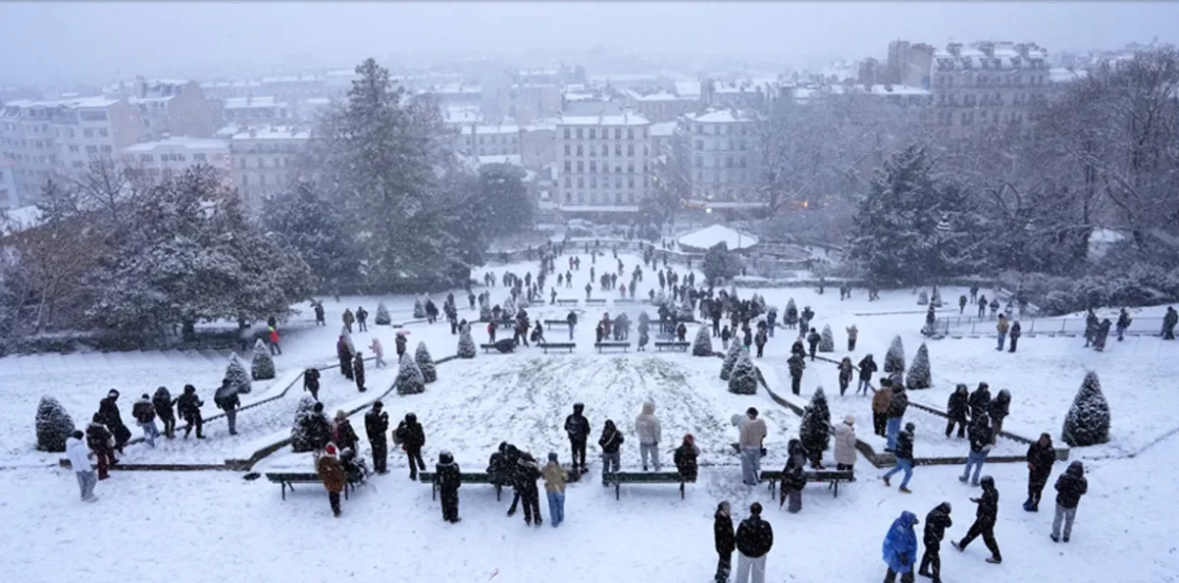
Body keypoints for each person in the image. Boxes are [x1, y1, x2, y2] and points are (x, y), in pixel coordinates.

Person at [952, 475, 1002, 564]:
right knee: (972, 532)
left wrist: (981, 504)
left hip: (986, 520)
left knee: (988, 538)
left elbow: (988, 507)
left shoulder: (990, 494)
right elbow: (986, 502)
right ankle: (962, 545)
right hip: (984, 518)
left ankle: (997, 556)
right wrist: (979, 501)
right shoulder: (991, 492)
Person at [734, 502, 773, 583]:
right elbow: (769, 540)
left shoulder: (744, 524)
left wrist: (742, 549)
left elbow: (738, 537)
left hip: (745, 553)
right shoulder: (765, 525)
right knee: (758, 575)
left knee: (741, 574)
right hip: (759, 554)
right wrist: (763, 550)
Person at [1051, 461, 1088, 543]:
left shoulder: (1063, 477)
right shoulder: (1082, 480)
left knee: (1058, 518)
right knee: (1070, 520)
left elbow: (1057, 486)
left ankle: (1055, 535)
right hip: (1073, 504)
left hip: (1061, 501)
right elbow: (1083, 491)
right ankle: (1066, 536)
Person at [882, 511, 919, 583]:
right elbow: (899, 543)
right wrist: (902, 554)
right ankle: (904, 580)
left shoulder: (904, 524)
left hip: (902, 552)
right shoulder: (901, 529)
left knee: (894, 566)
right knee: (897, 566)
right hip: (900, 553)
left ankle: (893, 580)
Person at [919, 503, 952, 583]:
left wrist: (943, 517)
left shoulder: (940, 515)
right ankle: (936, 577)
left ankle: (923, 569)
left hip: (933, 539)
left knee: (929, 554)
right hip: (931, 540)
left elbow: (949, 524)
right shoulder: (933, 516)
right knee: (935, 558)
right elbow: (930, 529)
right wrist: (934, 539)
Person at [1024, 433, 1056, 512]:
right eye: (1041, 440)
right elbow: (1029, 455)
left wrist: (1037, 466)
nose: (1042, 442)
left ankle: (1035, 504)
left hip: (1042, 473)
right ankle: (1030, 498)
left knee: (1038, 488)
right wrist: (1030, 462)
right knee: (1031, 485)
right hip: (1033, 470)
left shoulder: (1050, 451)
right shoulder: (1035, 446)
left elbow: (1048, 464)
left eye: (1044, 441)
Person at [960, 413, 993, 486]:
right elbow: (990, 441)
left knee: (969, 465)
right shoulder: (989, 431)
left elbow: (971, 437)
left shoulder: (975, 429)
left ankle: (965, 476)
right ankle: (974, 480)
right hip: (983, 452)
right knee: (978, 468)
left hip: (974, 450)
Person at [882, 422, 916, 493]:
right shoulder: (908, 437)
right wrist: (911, 459)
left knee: (898, 467)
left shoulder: (901, 435)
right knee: (909, 473)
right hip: (904, 457)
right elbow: (908, 449)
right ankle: (902, 487)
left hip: (898, 455)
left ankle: (886, 476)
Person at [66, 430, 97, 502]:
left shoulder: (69, 446)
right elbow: (84, 460)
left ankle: (83, 495)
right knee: (92, 480)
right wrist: (88, 469)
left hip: (76, 468)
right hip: (83, 468)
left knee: (82, 483)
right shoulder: (79, 447)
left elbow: (69, 456)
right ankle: (89, 496)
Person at [317, 443, 346, 517]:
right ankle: (337, 510)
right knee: (336, 495)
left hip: (328, 482)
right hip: (335, 481)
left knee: (332, 495)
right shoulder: (333, 461)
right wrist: (342, 476)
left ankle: (334, 508)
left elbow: (320, 471)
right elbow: (337, 472)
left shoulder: (323, 461)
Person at [394, 413, 427, 480]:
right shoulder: (417, 426)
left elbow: (398, 435)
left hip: (410, 445)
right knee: (418, 457)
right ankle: (423, 471)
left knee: (412, 460)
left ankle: (414, 473)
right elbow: (422, 435)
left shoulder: (406, 428)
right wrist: (421, 442)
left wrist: (400, 427)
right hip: (415, 445)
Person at [739, 407, 766, 486]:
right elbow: (764, 434)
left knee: (747, 465)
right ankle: (758, 477)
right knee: (756, 464)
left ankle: (749, 481)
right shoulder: (761, 423)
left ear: (749, 415)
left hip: (748, 448)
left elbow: (743, 437)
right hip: (757, 446)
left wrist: (742, 447)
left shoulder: (746, 425)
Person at [84, 415, 115, 480]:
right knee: (102, 459)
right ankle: (102, 474)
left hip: (98, 445)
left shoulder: (91, 428)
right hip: (99, 445)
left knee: (107, 452)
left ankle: (111, 461)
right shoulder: (99, 428)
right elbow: (106, 435)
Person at [779, 439, 807, 513]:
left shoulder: (794, 457)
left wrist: (787, 474)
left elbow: (790, 468)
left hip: (794, 479)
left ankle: (794, 508)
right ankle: (796, 506)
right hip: (799, 478)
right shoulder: (801, 454)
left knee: (794, 493)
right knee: (796, 492)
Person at [542, 452, 568, 527]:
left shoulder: (546, 468)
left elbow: (543, 477)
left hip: (551, 489)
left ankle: (556, 521)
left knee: (554, 506)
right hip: (559, 489)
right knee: (559, 505)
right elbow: (566, 477)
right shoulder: (560, 468)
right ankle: (559, 519)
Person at [635, 401, 662, 472]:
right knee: (655, 456)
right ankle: (657, 468)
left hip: (642, 440)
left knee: (644, 456)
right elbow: (657, 430)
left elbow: (637, 429)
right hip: (652, 440)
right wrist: (657, 439)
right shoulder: (654, 419)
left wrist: (641, 435)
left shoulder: (639, 417)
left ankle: (645, 466)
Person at [436, 450, 462, 524]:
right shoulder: (454, 467)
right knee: (453, 502)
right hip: (452, 487)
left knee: (444, 501)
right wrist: (457, 484)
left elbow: (438, 477)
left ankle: (446, 515)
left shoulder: (439, 467)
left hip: (443, 486)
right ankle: (453, 517)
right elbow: (458, 477)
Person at [564, 403, 591, 473]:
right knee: (582, 452)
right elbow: (587, 429)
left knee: (574, 452)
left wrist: (572, 433)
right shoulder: (583, 419)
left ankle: (575, 465)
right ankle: (582, 465)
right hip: (582, 439)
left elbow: (566, 427)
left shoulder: (569, 418)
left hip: (573, 439)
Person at [365, 401, 389, 474]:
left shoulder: (368, 414)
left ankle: (377, 467)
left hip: (373, 438)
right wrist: (385, 420)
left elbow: (369, 427)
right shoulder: (374, 416)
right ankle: (382, 468)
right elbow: (381, 427)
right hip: (379, 437)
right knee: (382, 452)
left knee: (375, 453)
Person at [714, 501, 735, 583]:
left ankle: (721, 575)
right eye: (726, 508)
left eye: (729, 508)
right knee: (724, 561)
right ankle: (721, 577)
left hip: (727, 544)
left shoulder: (727, 518)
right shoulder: (720, 520)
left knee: (724, 560)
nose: (728, 510)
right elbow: (722, 534)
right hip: (723, 545)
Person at [885, 384, 909, 451]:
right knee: (894, 431)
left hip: (894, 416)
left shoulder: (898, 398)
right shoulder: (902, 397)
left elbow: (895, 407)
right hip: (896, 416)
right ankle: (893, 444)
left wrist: (890, 409)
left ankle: (893, 447)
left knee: (892, 431)